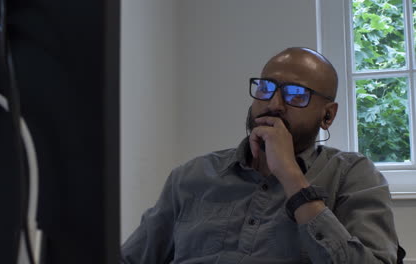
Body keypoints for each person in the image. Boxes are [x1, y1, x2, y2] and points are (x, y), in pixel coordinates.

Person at [121, 47, 399, 263]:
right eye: (266, 88)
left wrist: (292, 178)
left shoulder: (352, 175)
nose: (273, 104)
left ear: (328, 115)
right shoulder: (191, 176)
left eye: (295, 94)